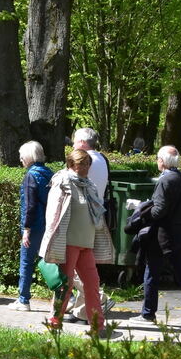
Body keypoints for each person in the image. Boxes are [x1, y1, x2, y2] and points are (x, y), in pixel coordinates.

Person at [40, 149, 115, 334]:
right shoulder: (62, 182)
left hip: (86, 244)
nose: (86, 167)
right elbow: (52, 214)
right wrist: (51, 241)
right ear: (71, 164)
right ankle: (54, 323)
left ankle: (98, 328)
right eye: (82, 163)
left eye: (88, 163)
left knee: (92, 284)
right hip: (68, 243)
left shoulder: (89, 185)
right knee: (65, 286)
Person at [132, 145, 181, 325]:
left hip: (163, 235)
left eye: (158, 159)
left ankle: (148, 313)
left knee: (152, 272)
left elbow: (159, 211)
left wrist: (141, 209)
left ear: (162, 161)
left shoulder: (165, 180)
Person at [69, 127, 111, 321]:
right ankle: (82, 311)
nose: (72, 145)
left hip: (82, 218)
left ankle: (99, 297)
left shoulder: (85, 162)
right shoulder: (102, 159)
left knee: (74, 264)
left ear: (82, 142)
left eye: (75, 141)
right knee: (84, 263)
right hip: (95, 216)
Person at [11, 140, 52, 311]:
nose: (20, 159)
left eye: (22, 156)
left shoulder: (31, 176)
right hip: (49, 224)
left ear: (29, 157)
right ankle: (67, 295)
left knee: (26, 262)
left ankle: (23, 299)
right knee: (50, 261)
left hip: (34, 226)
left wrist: (26, 230)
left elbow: (30, 205)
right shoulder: (49, 173)